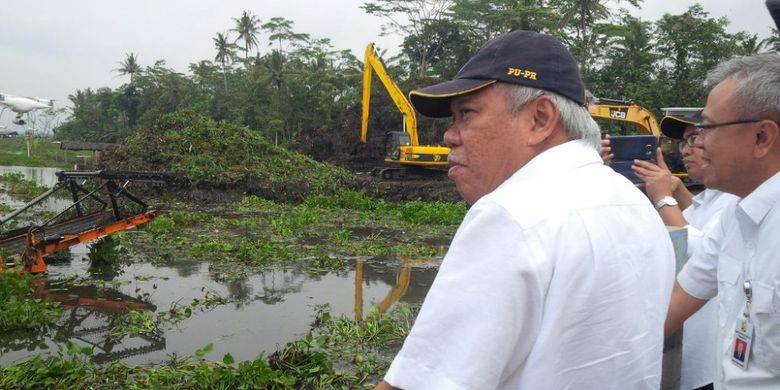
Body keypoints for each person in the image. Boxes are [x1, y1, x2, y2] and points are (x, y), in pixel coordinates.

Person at [375, 30, 675, 390]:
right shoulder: (633, 202)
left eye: (466, 114)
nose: (449, 136)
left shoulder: (512, 214)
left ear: (540, 119)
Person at [664, 52, 780, 388]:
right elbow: (678, 299)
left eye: (707, 127)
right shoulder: (736, 215)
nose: (697, 142)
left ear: (762, 137)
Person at [628, 113, 739, 390]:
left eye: (695, 138)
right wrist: (676, 191)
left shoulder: (738, 199)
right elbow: (698, 222)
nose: (686, 150)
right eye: (684, 142)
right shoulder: (707, 197)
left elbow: (701, 251)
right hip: (690, 351)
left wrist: (663, 198)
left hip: (707, 361)